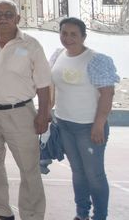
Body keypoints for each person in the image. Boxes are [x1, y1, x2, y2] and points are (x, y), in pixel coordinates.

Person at [0, 0, 51, 220]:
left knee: (29, 168)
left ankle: (32, 215)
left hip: (20, 114)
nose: (3, 18)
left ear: (18, 18)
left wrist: (43, 114)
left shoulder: (31, 45)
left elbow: (44, 83)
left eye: (8, 15)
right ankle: (1, 213)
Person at [50, 17, 119, 220]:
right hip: (64, 125)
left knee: (94, 175)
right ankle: (82, 214)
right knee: (78, 173)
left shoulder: (96, 60)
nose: (68, 38)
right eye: (64, 33)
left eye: (74, 34)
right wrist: (47, 112)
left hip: (89, 127)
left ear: (83, 37)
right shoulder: (58, 55)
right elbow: (52, 86)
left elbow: (107, 94)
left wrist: (98, 125)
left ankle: (100, 216)